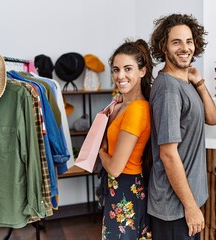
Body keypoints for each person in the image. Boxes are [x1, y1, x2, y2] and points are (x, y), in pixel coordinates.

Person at [148, 13, 216, 239]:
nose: (184, 48)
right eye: (176, 42)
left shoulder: (185, 82)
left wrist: (198, 82)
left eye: (189, 41)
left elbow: (213, 118)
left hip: (185, 200)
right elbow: (168, 154)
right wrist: (190, 207)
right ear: (163, 47)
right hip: (174, 207)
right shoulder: (169, 89)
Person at [98, 39, 153, 240]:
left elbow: (114, 167)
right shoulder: (123, 104)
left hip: (125, 188)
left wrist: (100, 151)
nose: (120, 76)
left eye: (127, 69)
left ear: (142, 71)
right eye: (116, 70)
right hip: (120, 187)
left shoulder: (137, 110)